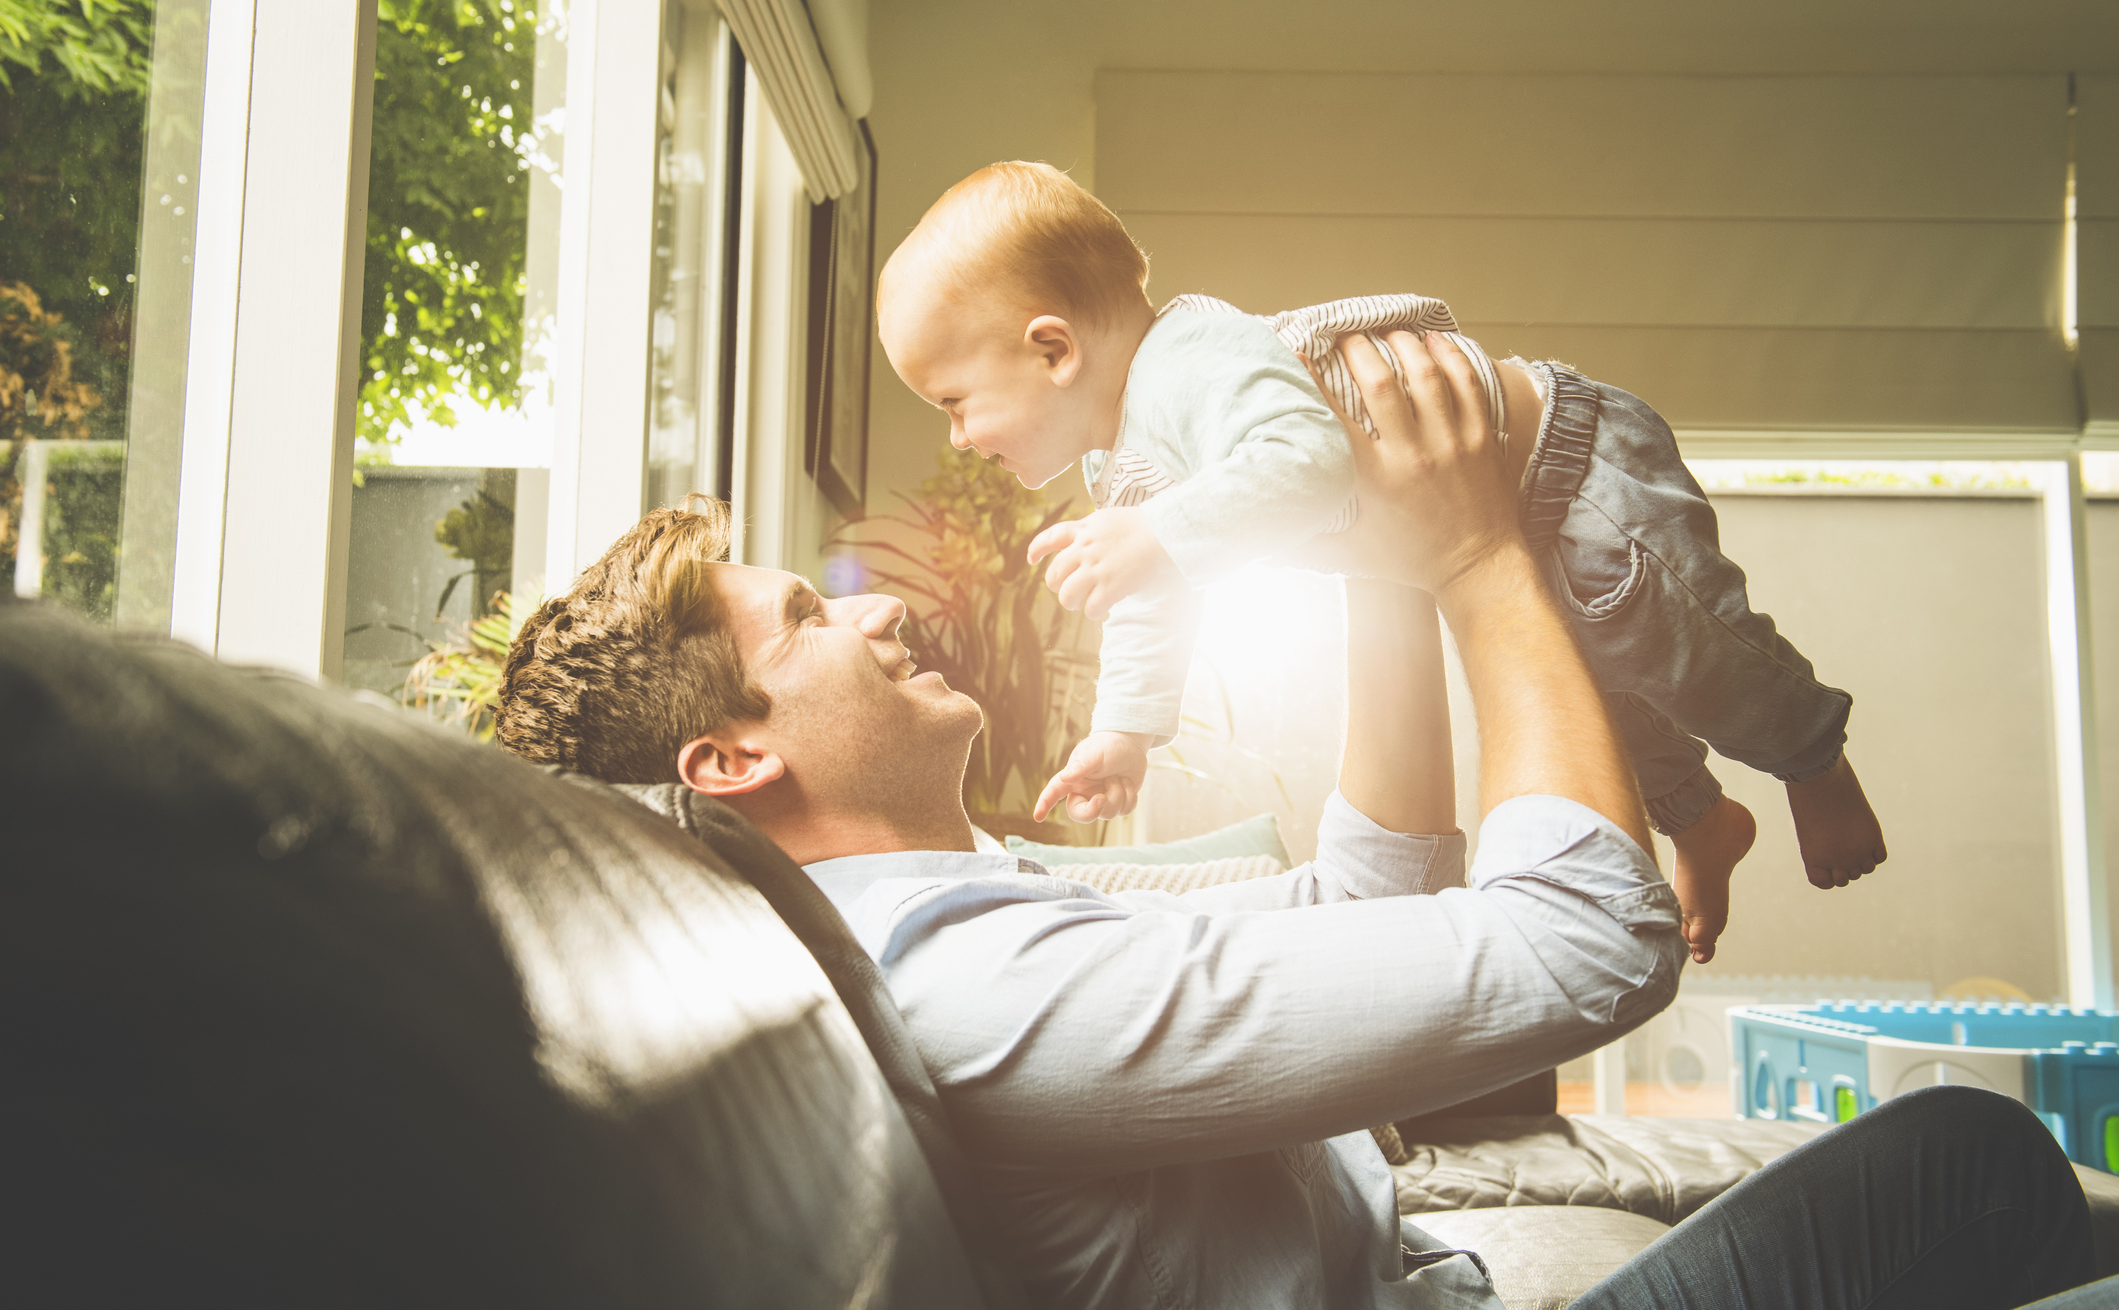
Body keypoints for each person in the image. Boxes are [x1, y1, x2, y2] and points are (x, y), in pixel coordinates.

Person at [494, 328, 2098, 1310]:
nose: (872, 613)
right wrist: (1477, 559)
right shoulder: (976, 995)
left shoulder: (962, 896)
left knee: (1971, 1173)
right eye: (805, 620)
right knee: (1959, 1157)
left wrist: (1376, 568)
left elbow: (1356, 892)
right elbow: (1589, 945)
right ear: (728, 759)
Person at [873, 159, 1886, 963]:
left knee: (1676, 641)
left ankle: (1811, 755)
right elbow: (1156, 587)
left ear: (1052, 349)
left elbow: (1307, 466)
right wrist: (1127, 729)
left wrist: (1157, 536)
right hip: (1493, 511)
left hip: (1568, 465)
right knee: (1605, 689)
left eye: (954, 401)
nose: (957, 437)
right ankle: (1701, 820)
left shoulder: (1191, 360)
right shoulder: (1118, 460)